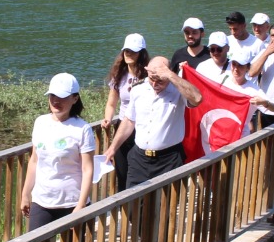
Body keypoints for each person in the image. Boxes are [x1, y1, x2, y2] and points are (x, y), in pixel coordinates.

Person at [104, 56, 203, 187]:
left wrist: (170, 75)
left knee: (166, 206)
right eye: (152, 79)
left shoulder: (178, 91)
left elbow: (197, 98)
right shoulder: (138, 89)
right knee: (132, 204)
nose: (155, 84)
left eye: (160, 81)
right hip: (139, 160)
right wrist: (112, 148)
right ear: (147, 71)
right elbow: (129, 121)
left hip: (169, 160)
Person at [20, 73, 96, 228]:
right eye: (52, 95)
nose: (56, 101)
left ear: (75, 99)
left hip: (72, 202)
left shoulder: (82, 129)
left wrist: (80, 206)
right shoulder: (40, 122)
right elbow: (34, 161)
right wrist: (25, 194)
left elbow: (87, 170)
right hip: (42, 200)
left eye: (62, 97)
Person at [102, 33, 149, 193]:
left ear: (142, 53)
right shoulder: (119, 76)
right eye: (126, 51)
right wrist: (108, 119)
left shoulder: (149, 76)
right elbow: (111, 103)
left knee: (140, 171)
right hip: (123, 127)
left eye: (133, 51)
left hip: (143, 128)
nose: (129, 54)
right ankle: (124, 209)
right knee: (122, 171)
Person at [221, 57, 274, 134]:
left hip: (240, 134)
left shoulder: (253, 90)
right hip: (221, 129)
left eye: (240, 65)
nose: (236, 69)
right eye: (234, 64)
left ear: (247, 68)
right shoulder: (223, 80)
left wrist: (264, 103)